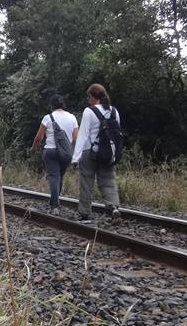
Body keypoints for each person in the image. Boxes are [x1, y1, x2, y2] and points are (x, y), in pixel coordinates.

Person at [72, 83, 121, 223]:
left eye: (89, 97)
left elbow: (83, 135)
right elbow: (116, 133)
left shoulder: (89, 111)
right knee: (109, 181)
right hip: (108, 152)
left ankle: (85, 213)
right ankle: (113, 207)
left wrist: (75, 158)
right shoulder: (114, 111)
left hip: (90, 152)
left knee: (87, 182)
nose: (88, 100)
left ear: (93, 97)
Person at [31, 95, 78, 214]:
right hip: (66, 153)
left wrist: (34, 148)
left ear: (52, 105)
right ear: (63, 105)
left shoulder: (48, 117)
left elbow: (39, 137)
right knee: (59, 176)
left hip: (51, 151)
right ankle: (56, 200)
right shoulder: (72, 118)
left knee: (53, 177)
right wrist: (67, 147)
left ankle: (54, 206)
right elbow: (76, 138)